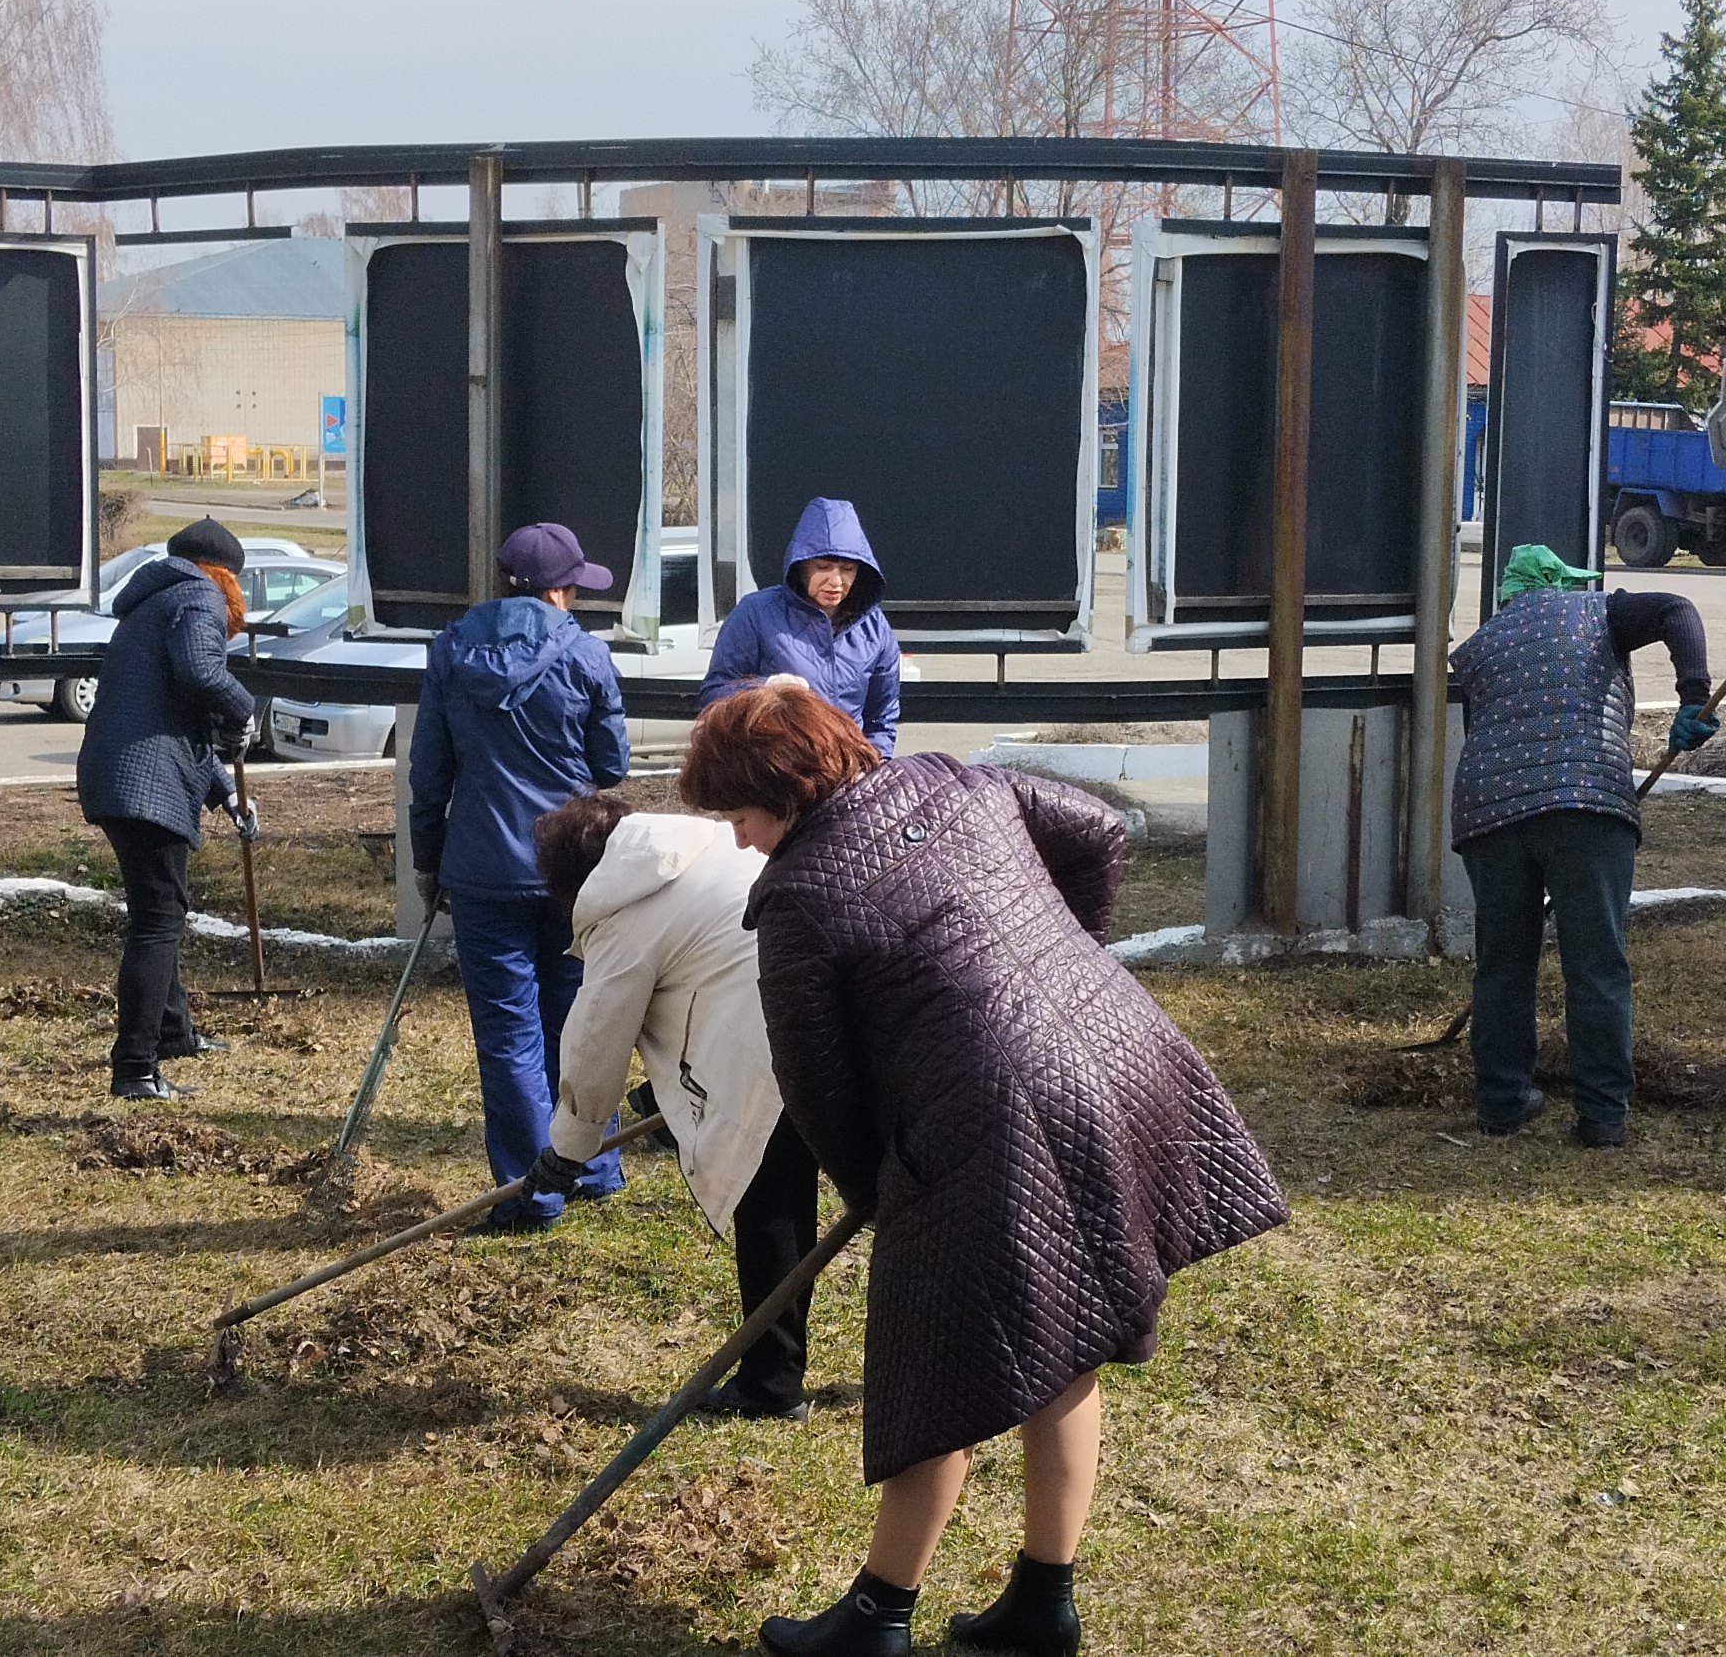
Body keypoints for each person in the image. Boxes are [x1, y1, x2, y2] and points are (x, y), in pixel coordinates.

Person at [684, 684, 1289, 1657]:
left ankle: (879, 1618)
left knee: (935, 1363)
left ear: (784, 790)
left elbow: (818, 1087)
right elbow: (1097, 831)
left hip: (989, 1122)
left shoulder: (803, 894)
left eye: (740, 813)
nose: (742, 838)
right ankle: (1043, 1604)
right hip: (1120, 1052)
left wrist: (881, 1188)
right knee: (1071, 1334)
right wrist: (1068, 959)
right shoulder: (951, 777)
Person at [524, 791, 812, 1420]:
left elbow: (595, 1044)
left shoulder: (623, 918)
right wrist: (669, 1099)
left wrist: (567, 1149)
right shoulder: (706, 851)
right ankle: (951, 1353)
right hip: (826, 1016)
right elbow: (702, 979)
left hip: (769, 1047)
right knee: (887, 1201)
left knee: (769, 1206)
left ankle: (771, 1386)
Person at [1450, 543, 1716, 1148]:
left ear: (1511, 597)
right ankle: (1600, 1115)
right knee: (1596, 963)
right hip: (1585, 801)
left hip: (1489, 812)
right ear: (1566, 586)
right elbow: (1677, 608)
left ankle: (1502, 1103)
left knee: (1503, 964)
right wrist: (1693, 696)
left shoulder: (1480, 647)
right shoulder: (1598, 612)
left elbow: (1486, 734)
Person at [410, 521, 634, 1229]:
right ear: (561, 589)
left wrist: (427, 859)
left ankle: (528, 1192)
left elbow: (429, 772)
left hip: (481, 866)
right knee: (578, 1019)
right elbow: (611, 765)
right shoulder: (586, 655)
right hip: (571, 867)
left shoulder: (450, 651)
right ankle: (592, 1166)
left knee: (508, 1033)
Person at [75, 519, 262, 1101]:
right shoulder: (200, 595)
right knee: (159, 920)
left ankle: (174, 1031)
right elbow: (202, 674)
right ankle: (134, 1067)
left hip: (121, 776)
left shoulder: (151, 605)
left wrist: (227, 792)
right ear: (224, 573)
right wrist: (245, 711)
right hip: (143, 786)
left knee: (161, 911)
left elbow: (167, 717)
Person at [701, 496, 900, 756]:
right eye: (823, 567)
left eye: (848, 569)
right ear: (801, 565)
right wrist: (767, 688)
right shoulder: (755, 613)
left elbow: (882, 718)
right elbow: (713, 694)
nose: (836, 581)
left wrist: (872, 766)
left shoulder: (875, 627)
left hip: (849, 775)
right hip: (777, 773)